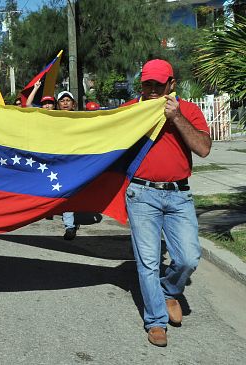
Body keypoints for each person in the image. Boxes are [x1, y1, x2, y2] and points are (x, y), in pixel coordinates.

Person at [123, 59, 211, 347]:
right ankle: (156, 321)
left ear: (172, 84)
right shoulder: (130, 110)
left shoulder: (189, 110)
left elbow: (203, 149)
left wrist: (176, 117)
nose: (151, 90)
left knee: (188, 258)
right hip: (141, 195)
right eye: (147, 84)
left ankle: (169, 290)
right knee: (148, 262)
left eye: (158, 85)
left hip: (178, 195)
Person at [56, 90, 79, 240]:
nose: (65, 103)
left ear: (73, 104)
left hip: (75, 161)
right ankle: (69, 225)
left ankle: (70, 224)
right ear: (58, 105)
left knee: (70, 191)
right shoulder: (51, 119)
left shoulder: (82, 120)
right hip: (57, 161)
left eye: (68, 100)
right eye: (62, 100)